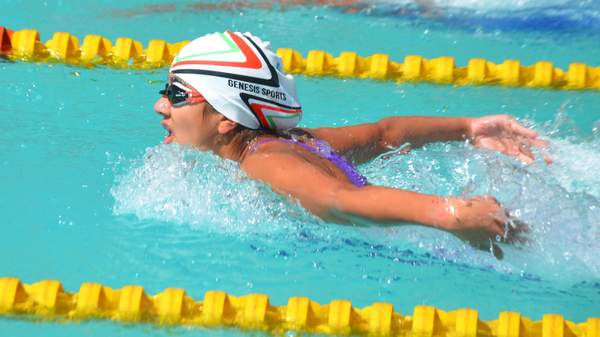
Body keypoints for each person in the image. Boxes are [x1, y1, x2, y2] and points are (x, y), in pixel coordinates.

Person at [154, 32, 547, 258]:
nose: (160, 106)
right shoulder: (293, 140)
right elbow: (384, 134)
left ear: (226, 117)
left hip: (419, 243)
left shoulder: (265, 162)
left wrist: (449, 216)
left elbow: (342, 200)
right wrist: (468, 126)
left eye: (176, 93)